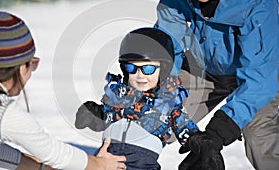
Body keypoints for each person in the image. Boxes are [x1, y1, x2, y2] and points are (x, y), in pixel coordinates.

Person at [154, 0, 279, 169]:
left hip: (259, 74)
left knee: (259, 140)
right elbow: (168, 43)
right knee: (154, 116)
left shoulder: (254, 1)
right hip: (205, 68)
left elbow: (260, 79)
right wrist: (161, 83)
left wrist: (217, 133)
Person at [0, 11, 126, 170]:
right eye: (32, 64)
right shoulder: (2, 112)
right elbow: (55, 154)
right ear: (21, 67)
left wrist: (42, 167)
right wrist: (101, 165)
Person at [75, 27, 199, 170]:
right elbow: (108, 116)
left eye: (148, 69)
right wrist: (94, 114)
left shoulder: (167, 102)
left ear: (163, 69)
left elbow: (184, 125)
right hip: (105, 159)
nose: (140, 75)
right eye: (131, 68)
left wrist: (200, 142)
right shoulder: (119, 95)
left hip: (141, 163)